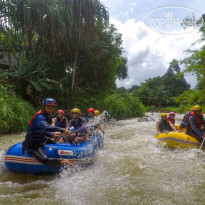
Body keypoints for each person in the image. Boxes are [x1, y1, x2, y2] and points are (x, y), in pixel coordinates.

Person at [22, 98, 73, 169]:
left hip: (41, 139)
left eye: (52, 108)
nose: (50, 109)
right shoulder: (39, 117)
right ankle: (62, 162)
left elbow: (42, 130)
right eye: (48, 107)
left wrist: (51, 135)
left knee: (53, 141)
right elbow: (46, 127)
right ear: (44, 107)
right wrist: (62, 130)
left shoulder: (48, 116)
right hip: (33, 144)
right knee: (44, 159)